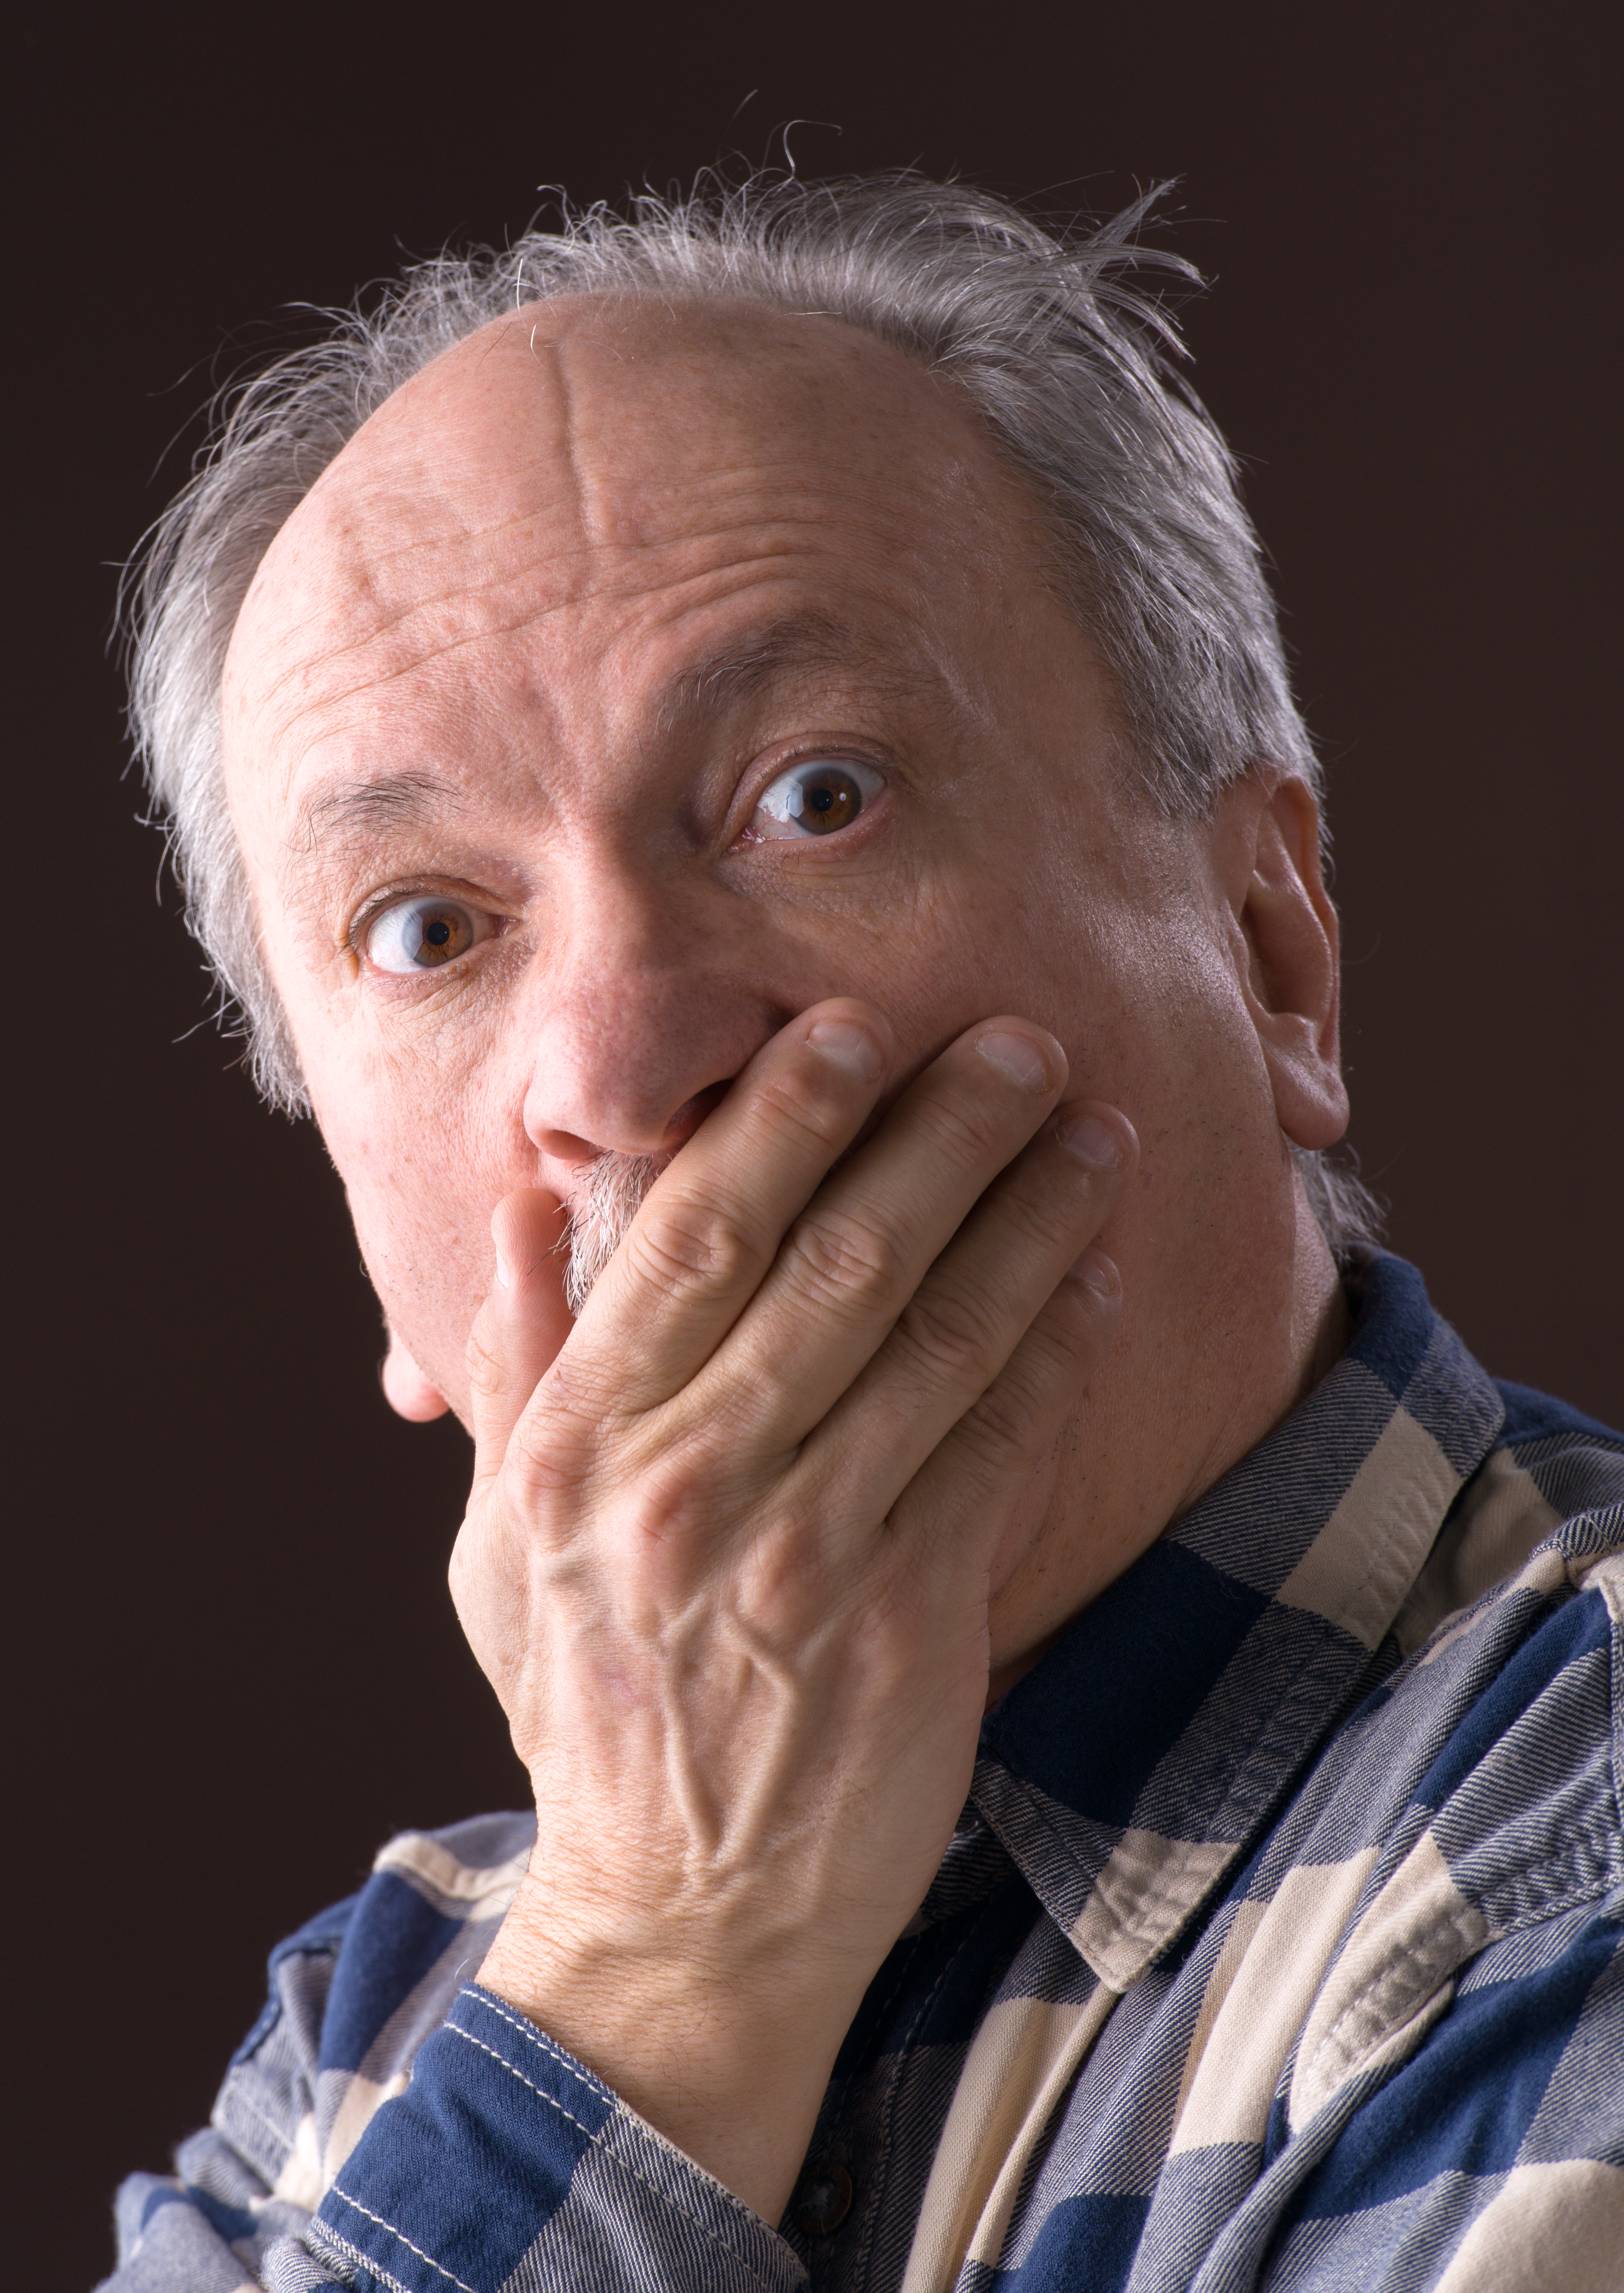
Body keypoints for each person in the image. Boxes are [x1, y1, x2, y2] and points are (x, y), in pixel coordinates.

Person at [106, 174, 1623, 2293]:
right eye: (430, 929)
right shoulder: (359, 2060)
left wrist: (658, 1953)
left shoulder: (1578, 1847)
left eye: (811, 795)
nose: (621, 1062)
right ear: (380, 1246)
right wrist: (651, 1969)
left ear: (1271, 950)